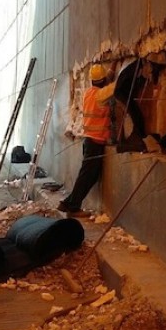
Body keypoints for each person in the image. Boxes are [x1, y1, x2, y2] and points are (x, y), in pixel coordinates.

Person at [57, 63, 113, 217]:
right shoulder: (101, 95)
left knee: (89, 176)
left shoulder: (89, 93)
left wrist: (110, 69)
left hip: (90, 141)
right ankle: (71, 205)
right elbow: (114, 87)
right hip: (95, 142)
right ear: (103, 81)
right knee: (86, 176)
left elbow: (105, 85)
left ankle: (69, 203)